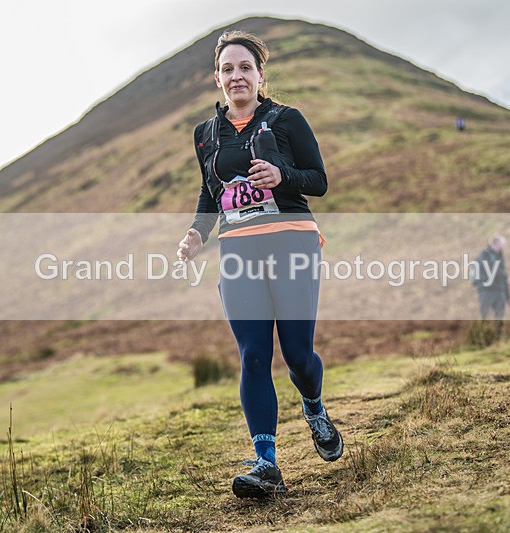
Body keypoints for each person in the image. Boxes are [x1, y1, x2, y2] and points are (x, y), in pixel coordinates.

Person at [176, 30, 342, 499]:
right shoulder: (205, 135)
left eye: (244, 67)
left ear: (260, 75)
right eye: (227, 69)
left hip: (292, 244)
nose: (236, 76)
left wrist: (282, 176)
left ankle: (313, 405)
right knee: (252, 354)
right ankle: (266, 463)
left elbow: (319, 181)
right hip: (239, 253)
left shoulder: (286, 120)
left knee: (297, 356)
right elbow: (212, 195)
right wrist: (196, 233)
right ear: (217, 79)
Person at [472, 236, 510, 319]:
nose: (502, 247)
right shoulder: (484, 255)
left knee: (499, 318)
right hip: (486, 291)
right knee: (485, 316)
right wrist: (506, 277)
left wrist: (508, 297)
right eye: (501, 244)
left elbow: (502, 275)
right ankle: (482, 331)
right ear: (495, 243)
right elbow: (492, 270)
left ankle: (498, 332)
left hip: (499, 291)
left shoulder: (500, 257)